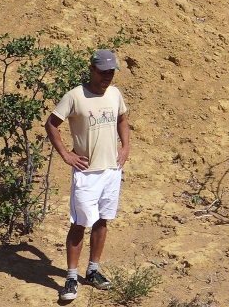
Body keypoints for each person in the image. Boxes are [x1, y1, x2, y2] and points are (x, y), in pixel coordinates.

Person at [45, 49, 131, 302]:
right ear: (92, 70)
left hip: (112, 170)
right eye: (103, 72)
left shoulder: (115, 94)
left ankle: (93, 271)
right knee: (79, 223)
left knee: (103, 220)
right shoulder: (74, 96)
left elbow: (122, 119)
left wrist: (125, 147)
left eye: (111, 72)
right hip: (86, 173)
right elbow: (51, 124)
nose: (107, 77)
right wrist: (66, 155)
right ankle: (71, 277)